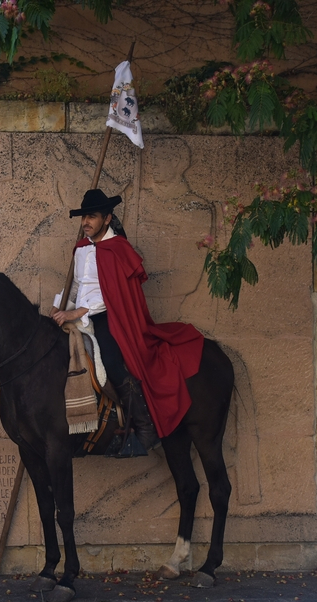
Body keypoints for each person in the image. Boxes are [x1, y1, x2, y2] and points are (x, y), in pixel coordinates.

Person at [52, 189, 204, 452]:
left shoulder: (119, 250)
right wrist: (60, 309)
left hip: (111, 317)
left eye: (92, 216)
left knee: (111, 358)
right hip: (77, 316)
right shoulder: (80, 249)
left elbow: (111, 296)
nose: (85, 222)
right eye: (83, 217)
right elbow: (76, 286)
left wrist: (76, 313)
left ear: (108, 218)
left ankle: (145, 426)